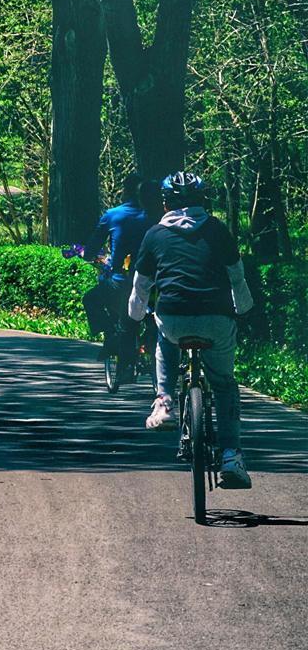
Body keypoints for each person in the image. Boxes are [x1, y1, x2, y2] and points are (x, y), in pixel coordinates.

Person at [127, 172, 256, 489]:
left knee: (163, 334)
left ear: (166, 202)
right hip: (217, 318)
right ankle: (231, 456)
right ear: (203, 201)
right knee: (224, 384)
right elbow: (237, 278)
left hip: (174, 318)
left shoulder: (155, 234)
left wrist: (133, 318)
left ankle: (164, 400)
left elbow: (141, 286)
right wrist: (245, 311)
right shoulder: (218, 230)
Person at [81, 174, 158, 372]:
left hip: (121, 281)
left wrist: (87, 255)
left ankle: (110, 334)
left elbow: (91, 249)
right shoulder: (156, 217)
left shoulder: (113, 215)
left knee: (90, 300)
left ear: (125, 191)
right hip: (154, 281)